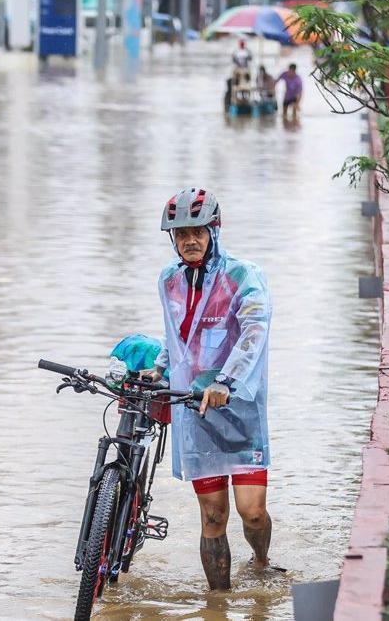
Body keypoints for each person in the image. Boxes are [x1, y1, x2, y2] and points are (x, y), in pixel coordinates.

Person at [139, 188, 274, 589]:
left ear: (214, 231)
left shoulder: (243, 275)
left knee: (251, 511)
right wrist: (160, 370)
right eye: (181, 234)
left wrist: (226, 381)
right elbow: (176, 338)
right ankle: (219, 604)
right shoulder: (169, 281)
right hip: (193, 409)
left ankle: (262, 560)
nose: (189, 241)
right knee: (213, 516)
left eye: (197, 231)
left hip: (238, 408)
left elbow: (254, 331)